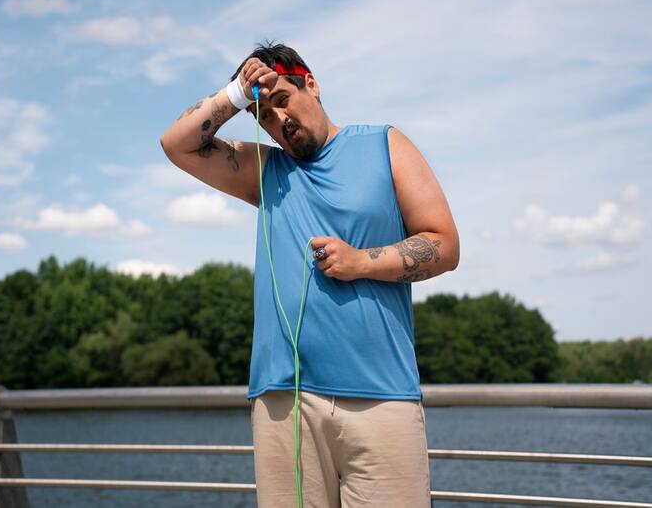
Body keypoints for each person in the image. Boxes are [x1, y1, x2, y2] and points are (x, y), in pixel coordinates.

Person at [160, 42, 459, 508]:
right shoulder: (265, 170)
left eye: (283, 100)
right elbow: (176, 144)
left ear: (312, 85)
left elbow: (444, 244)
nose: (280, 120)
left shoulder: (384, 144)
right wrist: (236, 94)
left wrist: (362, 262)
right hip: (283, 402)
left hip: (381, 397)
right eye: (265, 116)